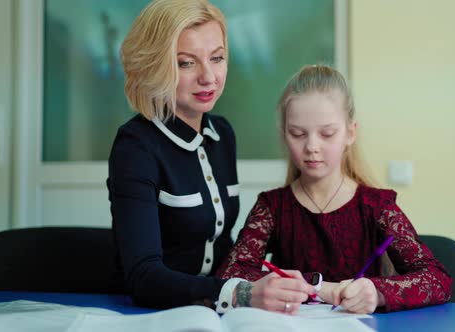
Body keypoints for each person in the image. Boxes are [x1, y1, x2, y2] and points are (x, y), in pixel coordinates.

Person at [107, 0, 314, 313]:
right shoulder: (135, 146)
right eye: (186, 63)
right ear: (154, 64)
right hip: (158, 314)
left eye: (217, 58)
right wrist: (240, 292)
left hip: (217, 310)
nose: (209, 77)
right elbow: (143, 277)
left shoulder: (222, 134)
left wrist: (264, 281)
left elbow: (221, 245)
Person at [216, 64, 452, 314]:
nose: (312, 147)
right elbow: (230, 274)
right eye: (298, 134)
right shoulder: (273, 207)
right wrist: (319, 287)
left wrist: (377, 292)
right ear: (284, 134)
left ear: (350, 133)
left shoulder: (377, 206)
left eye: (327, 134)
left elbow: (437, 279)